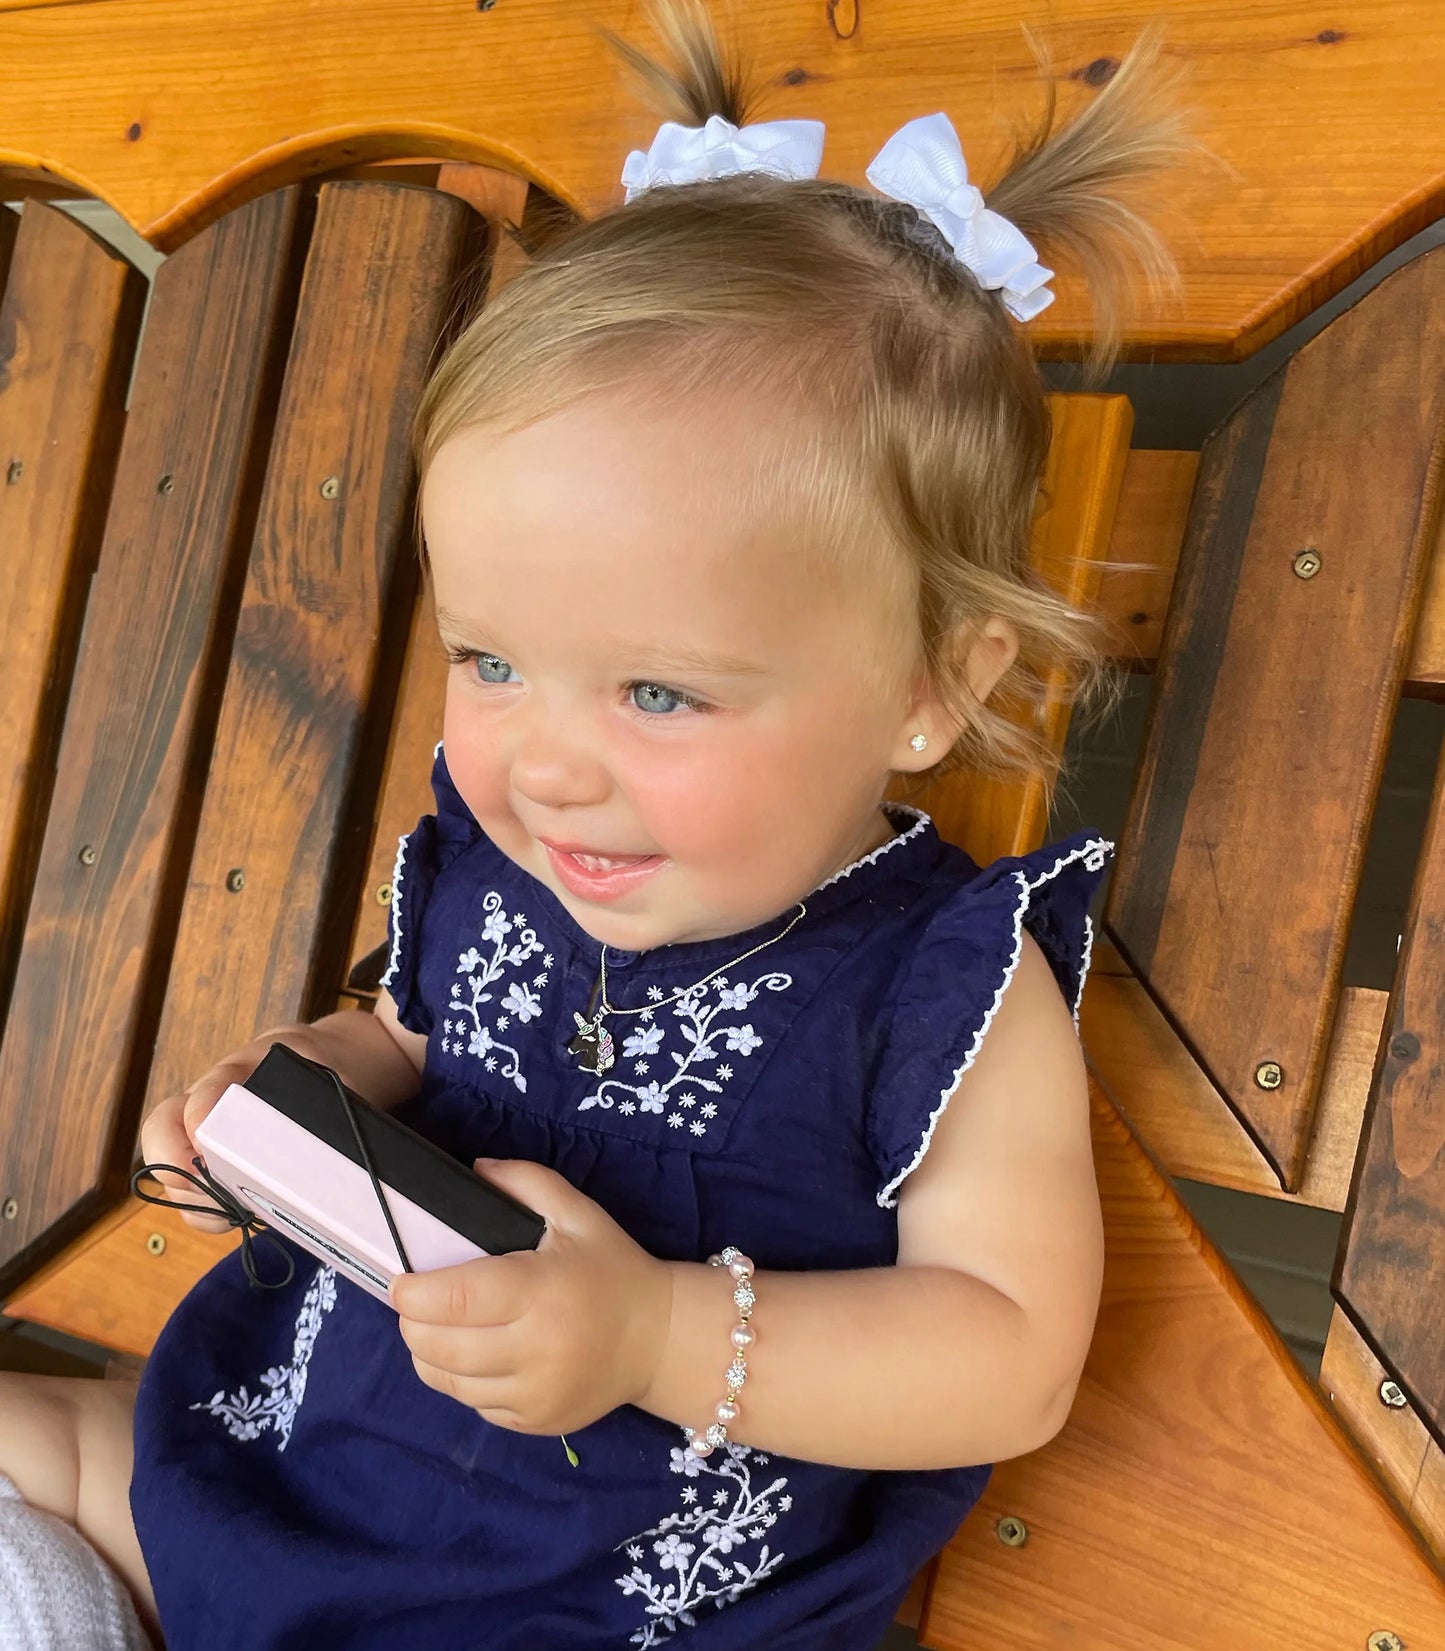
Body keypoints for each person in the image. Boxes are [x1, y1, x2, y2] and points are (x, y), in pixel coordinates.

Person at [0, 3, 1186, 1645]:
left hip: (565, 1612)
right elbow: (419, 1034)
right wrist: (308, 1093)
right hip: (267, 1481)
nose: (547, 766)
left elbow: (1005, 1352)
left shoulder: (940, 992)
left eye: (656, 694)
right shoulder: (515, 859)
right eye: (490, 661)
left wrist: (649, 1338)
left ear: (932, 685)